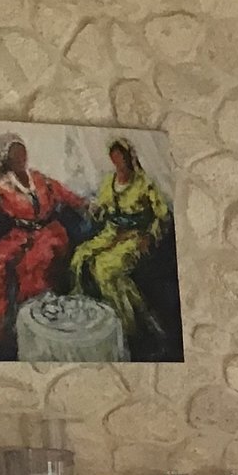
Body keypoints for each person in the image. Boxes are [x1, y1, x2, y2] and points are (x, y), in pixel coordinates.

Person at [0, 133, 85, 356]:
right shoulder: (1, 188)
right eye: (14, 154)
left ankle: (36, 317)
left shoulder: (40, 180)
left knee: (33, 263)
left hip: (48, 234)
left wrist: (84, 205)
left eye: (22, 152)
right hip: (19, 236)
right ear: (6, 159)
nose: (20, 157)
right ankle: (2, 325)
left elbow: (65, 195)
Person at [69, 138, 173, 352]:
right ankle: (90, 315)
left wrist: (150, 236)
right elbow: (104, 210)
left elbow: (162, 216)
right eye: (114, 158)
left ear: (129, 158)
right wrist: (96, 211)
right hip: (111, 233)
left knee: (104, 268)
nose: (119, 162)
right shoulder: (109, 181)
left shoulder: (144, 183)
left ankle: (129, 325)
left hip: (134, 236)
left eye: (122, 157)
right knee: (80, 256)